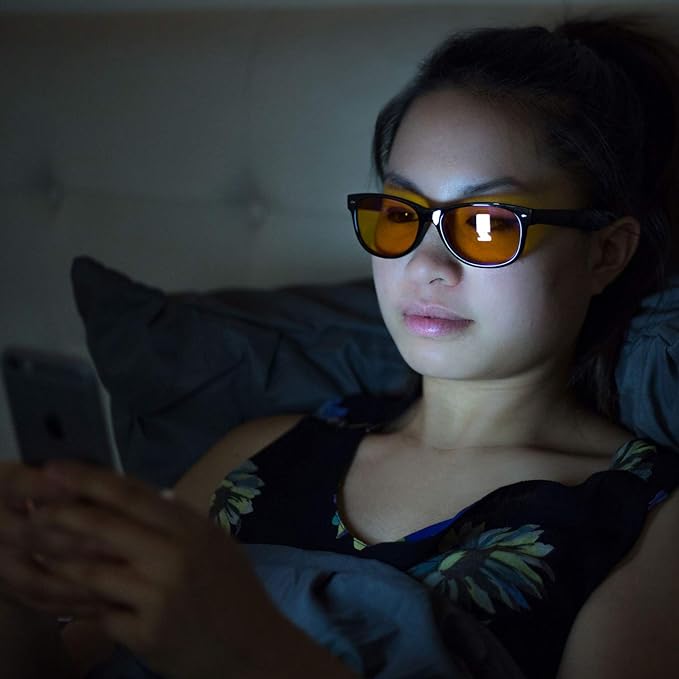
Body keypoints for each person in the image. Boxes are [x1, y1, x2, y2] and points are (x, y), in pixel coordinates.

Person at [2, 12, 679, 679]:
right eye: (401, 214)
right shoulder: (260, 451)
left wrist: (245, 654)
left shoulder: (647, 522)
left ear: (604, 253)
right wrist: (20, 608)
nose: (425, 263)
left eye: (486, 224)